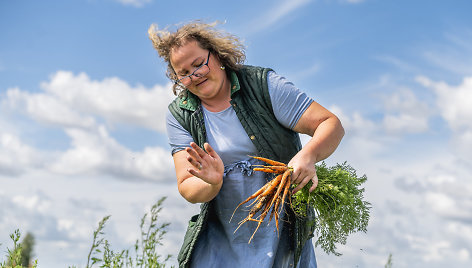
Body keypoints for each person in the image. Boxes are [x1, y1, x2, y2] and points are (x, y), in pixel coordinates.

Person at [148, 21, 344, 268]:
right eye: (184, 73)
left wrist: (309, 155)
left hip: (280, 223)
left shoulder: (263, 85)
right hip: (222, 232)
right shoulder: (181, 114)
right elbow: (187, 186)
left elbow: (330, 123)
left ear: (218, 54)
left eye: (199, 64)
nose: (195, 75)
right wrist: (212, 181)